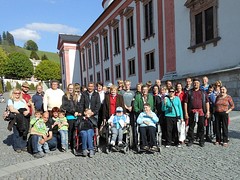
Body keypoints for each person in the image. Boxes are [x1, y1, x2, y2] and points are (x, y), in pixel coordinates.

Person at [184, 78, 210, 147]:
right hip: (192, 111)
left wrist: (207, 111)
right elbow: (185, 103)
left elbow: (207, 102)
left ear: (199, 84)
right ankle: (191, 140)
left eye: (197, 83)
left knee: (201, 127)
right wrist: (186, 113)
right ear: (193, 84)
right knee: (191, 127)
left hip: (201, 111)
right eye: (195, 83)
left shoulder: (203, 92)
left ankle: (201, 141)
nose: (196, 84)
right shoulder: (189, 92)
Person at [7, 88, 30, 153]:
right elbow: (12, 109)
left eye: (19, 93)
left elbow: (27, 108)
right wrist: (21, 112)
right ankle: (17, 146)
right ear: (12, 93)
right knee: (17, 133)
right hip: (16, 119)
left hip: (24, 118)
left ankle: (23, 145)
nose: (17, 94)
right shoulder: (10, 100)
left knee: (24, 131)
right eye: (15, 93)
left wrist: (27, 111)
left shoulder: (22, 100)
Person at [61, 84, 79, 150]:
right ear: (68, 89)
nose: (70, 89)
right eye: (69, 88)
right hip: (69, 115)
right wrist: (73, 112)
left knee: (75, 130)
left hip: (76, 115)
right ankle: (70, 144)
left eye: (72, 88)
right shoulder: (65, 96)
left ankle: (74, 143)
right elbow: (65, 106)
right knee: (70, 130)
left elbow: (78, 105)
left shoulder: (75, 96)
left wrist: (77, 112)